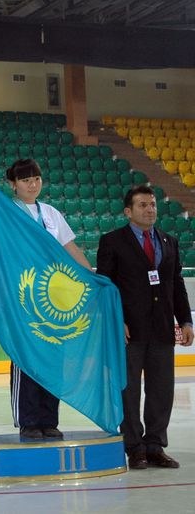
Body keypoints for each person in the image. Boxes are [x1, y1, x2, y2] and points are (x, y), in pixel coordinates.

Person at [97, 185, 193, 469]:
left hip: (162, 330)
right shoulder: (112, 241)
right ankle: (134, 447)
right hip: (128, 332)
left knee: (161, 391)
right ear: (128, 211)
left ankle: (155, 446)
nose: (150, 209)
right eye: (143, 205)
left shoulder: (169, 241)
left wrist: (185, 320)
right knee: (129, 391)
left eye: (152, 204)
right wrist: (116, 320)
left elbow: (177, 286)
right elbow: (105, 287)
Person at [5, 158, 91, 440]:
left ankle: (48, 419)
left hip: (55, 300)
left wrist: (93, 277)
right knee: (26, 358)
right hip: (23, 297)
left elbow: (70, 248)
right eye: (26, 180)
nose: (33, 184)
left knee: (54, 357)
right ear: (13, 184)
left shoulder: (51, 213)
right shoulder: (6, 212)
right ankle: (28, 421)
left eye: (37, 179)